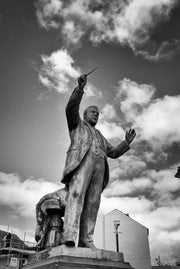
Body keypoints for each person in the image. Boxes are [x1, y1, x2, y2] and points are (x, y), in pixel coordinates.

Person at [61, 74, 136, 248]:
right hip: (82, 164)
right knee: (76, 195)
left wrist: (126, 143)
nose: (96, 115)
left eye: (98, 113)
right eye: (93, 112)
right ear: (84, 115)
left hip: (99, 167)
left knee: (93, 204)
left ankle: (86, 240)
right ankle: (70, 235)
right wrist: (79, 89)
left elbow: (114, 153)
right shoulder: (77, 125)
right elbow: (71, 108)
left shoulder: (101, 136)